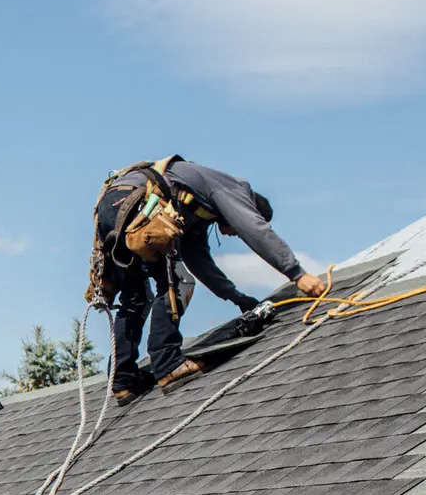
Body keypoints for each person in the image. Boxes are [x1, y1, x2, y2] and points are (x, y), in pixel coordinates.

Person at [90, 156, 326, 404]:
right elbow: (254, 229)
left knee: (135, 296)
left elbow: (199, 261)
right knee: (177, 282)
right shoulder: (232, 189)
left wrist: (237, 297)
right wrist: (296, 274)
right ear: (250, 205)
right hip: (139, 204)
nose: (233, 233)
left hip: (111, 206)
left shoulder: (195, 206)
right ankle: (167, 363)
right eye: (234, 228)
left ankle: (123, 381)